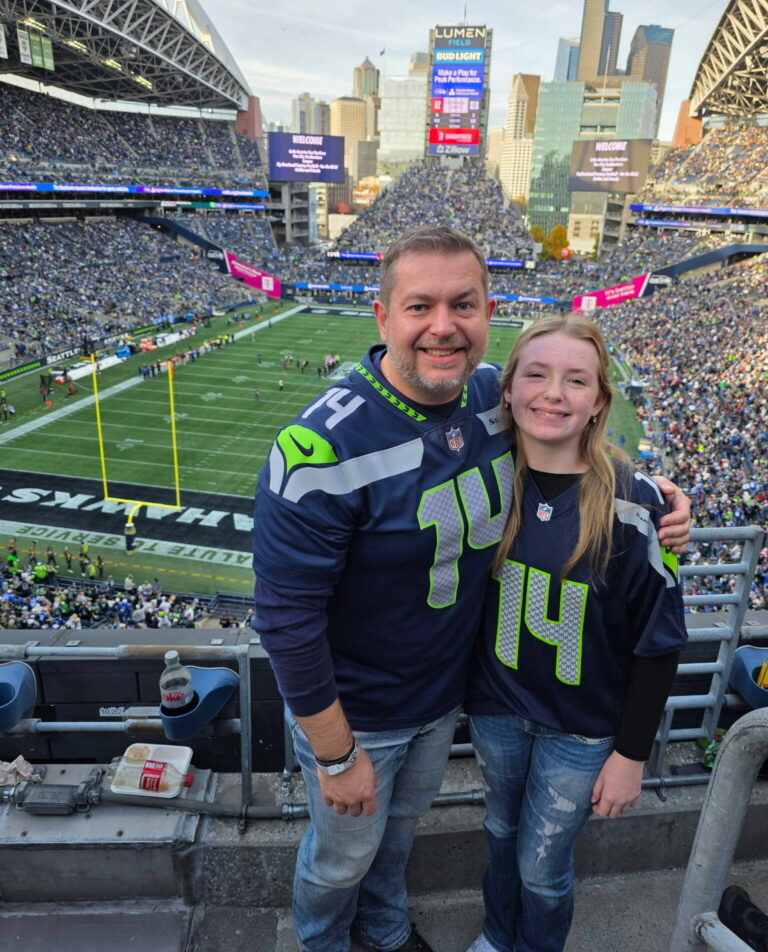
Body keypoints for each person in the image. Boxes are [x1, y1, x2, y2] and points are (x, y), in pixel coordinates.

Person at [251, 226, 690, 952]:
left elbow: (565, 424)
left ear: (491, 313)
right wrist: (334, 753)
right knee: (341, 858)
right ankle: (324, 942)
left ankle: (386, 929)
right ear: (382, 314)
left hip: (446, 697)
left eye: (465, 304)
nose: (444, 326)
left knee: (393, 845)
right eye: (420, 306)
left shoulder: (489, 393)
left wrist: (661, 495)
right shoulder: (322, 449)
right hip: (360, 712)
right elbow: (286, 618)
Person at [464, 316, 687, 952]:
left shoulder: (637, 503)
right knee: (500, 833)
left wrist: (631, 754)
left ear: (599, 402)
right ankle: (498, 935)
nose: (553, 393)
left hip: (584, 728)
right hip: (496, 708)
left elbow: (660, 640)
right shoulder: (481, 480)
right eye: (535, 374)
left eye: (575, 380)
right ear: (506, 389)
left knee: (542, 864)